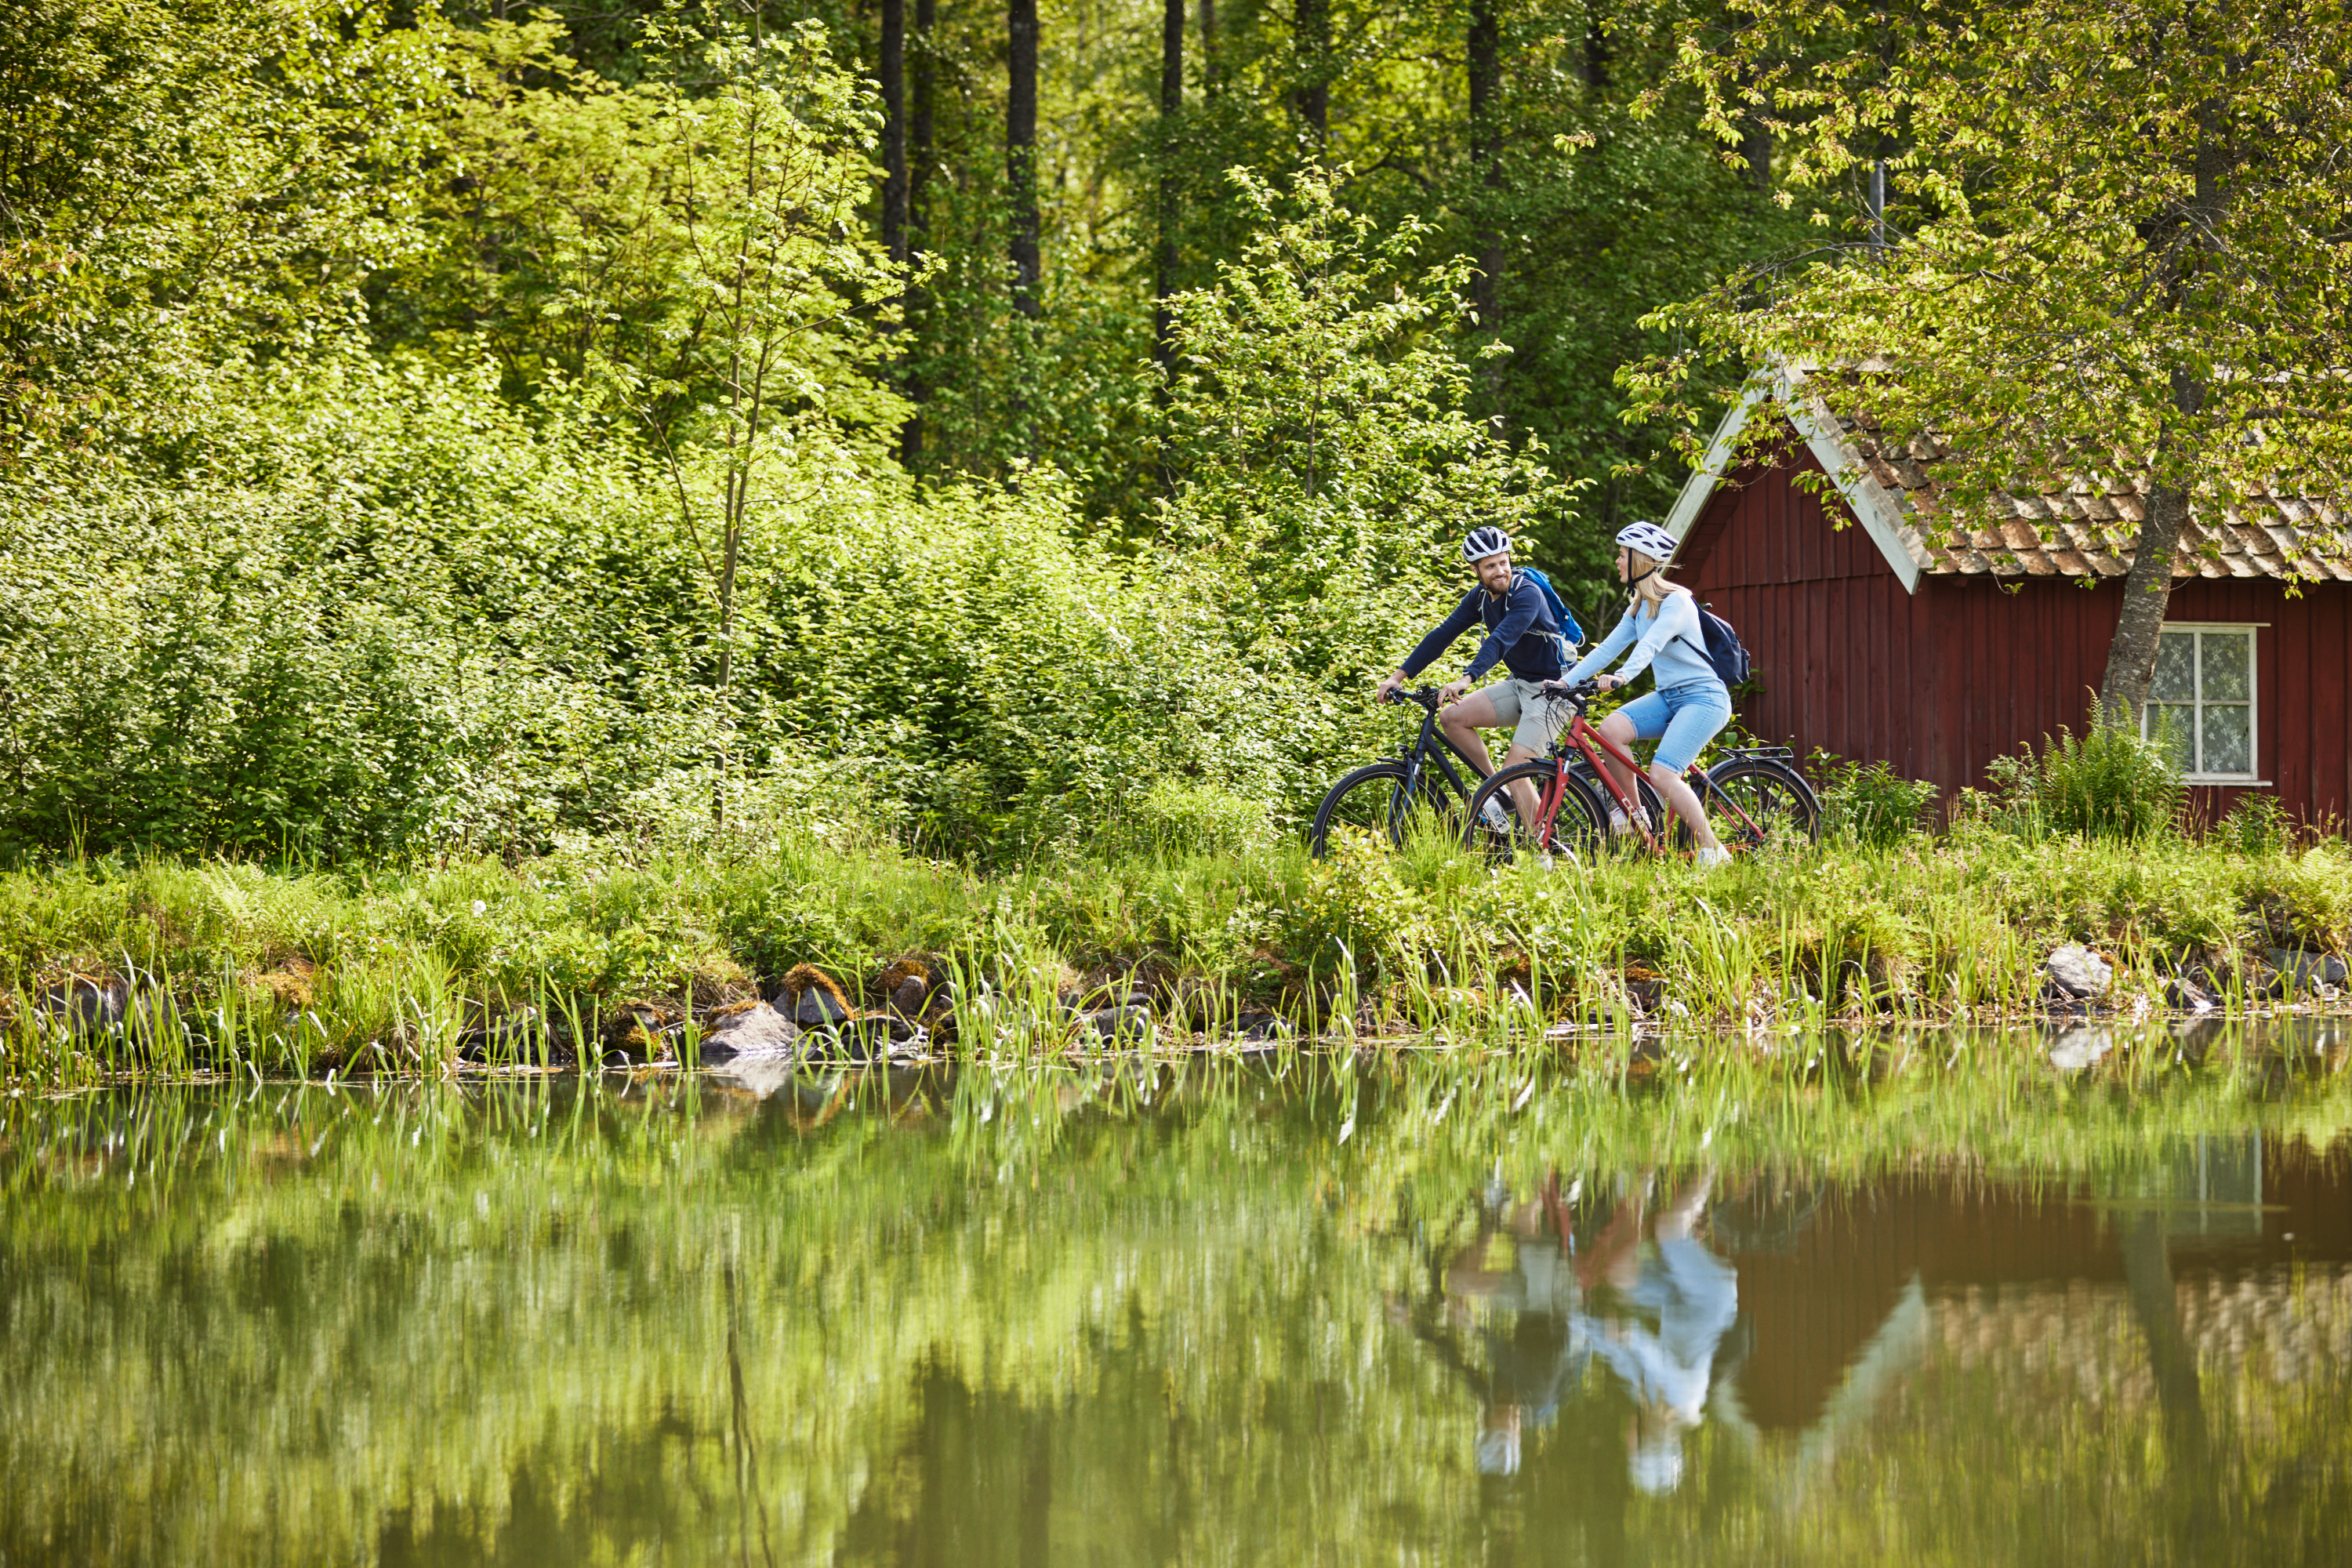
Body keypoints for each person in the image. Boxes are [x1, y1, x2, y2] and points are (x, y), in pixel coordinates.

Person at [1556, 521, 1733, 867]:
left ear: (1641, 558)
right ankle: (1636, 815)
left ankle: (1714, 851)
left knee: (1663, 773)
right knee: (1611, 731)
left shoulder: (1677, 601)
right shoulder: (1638, 607)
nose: (1618, 561)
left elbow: (1651, 645)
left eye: (1623, 554)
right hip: (1669, 697)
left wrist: (1623, 676)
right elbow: (1606, 649)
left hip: (1703, 698)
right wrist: (1565, 683)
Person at [1375, 526, 1573, 828]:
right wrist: (1397, 676)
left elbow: (1501, 640)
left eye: (1503, 562)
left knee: (1516, 768)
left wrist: (1466, 679)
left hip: (1555, 691)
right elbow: (1442, 635)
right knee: (1453, 718)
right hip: (1521, 685)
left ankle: (1544, 851)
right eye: (1490, 566)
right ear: (1476, 570)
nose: (1500, 571)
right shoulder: (1480, 598)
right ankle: (1500, 790)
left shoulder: (1527, 593)